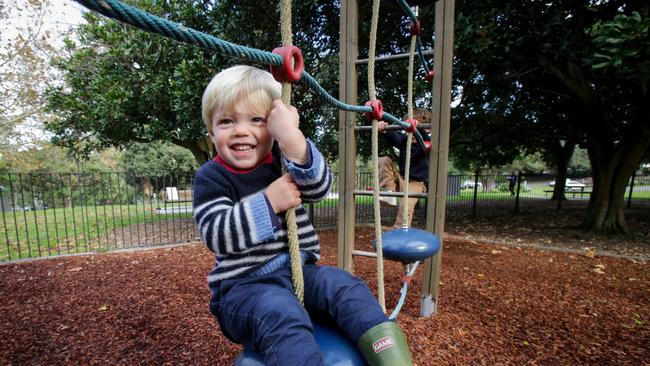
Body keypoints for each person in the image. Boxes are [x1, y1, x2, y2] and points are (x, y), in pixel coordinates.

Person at [193, 65, 413, 366]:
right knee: (280, 313)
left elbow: (320, 186)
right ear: (211, 131)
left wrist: (293, 139)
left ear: (272, 127)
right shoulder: (212, 177)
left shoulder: (283, 162)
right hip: (243, 289)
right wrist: (268, 201)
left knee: (345, 286)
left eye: (257, 120)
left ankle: (392, 358)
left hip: (300, 274)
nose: (241, 130)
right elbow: (217, 235)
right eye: (227, 121)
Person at [377, 108, 431, 229]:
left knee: (405, 206)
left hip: (416, 183)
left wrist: (418, 130)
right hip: (401, 179)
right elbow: (395, 138)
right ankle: (389, 193)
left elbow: (424, 140)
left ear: (426, 128)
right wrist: (384, 129)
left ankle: (399, 231)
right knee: (384, 160)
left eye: (410, 127)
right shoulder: (405, 140)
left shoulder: (427, 142)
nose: (409, 132)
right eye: (406, 128)